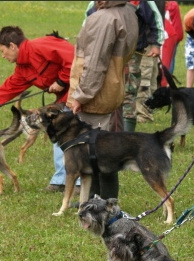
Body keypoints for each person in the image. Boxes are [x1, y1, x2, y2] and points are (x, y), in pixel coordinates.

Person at [0, 26, 75, 193]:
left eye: (3, 51)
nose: (2, 56)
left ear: (13, 46)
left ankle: (77, 182)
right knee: (59, 134)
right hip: (65, 98)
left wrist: (61, 81)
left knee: (74, 136)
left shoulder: (41, 46)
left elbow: (74, 57)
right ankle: (61, 181)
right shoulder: (23, 67)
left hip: (83, 91)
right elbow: (9, 88)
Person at [66, 0, 138, 200]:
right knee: (107, 148)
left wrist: (80, 95)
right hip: (114, 87)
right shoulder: (129, 12)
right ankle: (103, 201)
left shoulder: (104, 18)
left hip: (98, 94)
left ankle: (99, 203)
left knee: (95, 151)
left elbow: (95, 63)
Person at [123, 0, 164, 131]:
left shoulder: (145, 2)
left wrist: (156, 44)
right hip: (109, 51)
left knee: (131, 88)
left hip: (135, 50)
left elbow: (156, 20)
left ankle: (127, 130)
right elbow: (90, 17)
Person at [160, 1, 183, 87]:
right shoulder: (173, 4)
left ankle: (167, 82)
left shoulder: (170, 6)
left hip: (169, 35)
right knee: (171, 60)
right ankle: (168, 81)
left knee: (168, 61)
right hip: (174, 34)